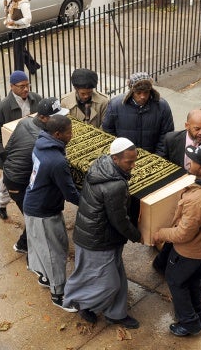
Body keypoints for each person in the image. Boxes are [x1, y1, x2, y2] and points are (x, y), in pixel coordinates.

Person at [152, 144, 201, 337]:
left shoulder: (199, 200)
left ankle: (189, 323)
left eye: (193, 160)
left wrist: (160, 233)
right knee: (193, 279)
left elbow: (183, 235)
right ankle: (197, 315)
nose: (189, 161)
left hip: (191, 250)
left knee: (176, 280)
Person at [63, 137, 142, 329]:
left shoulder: (101, 165)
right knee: (109, 284)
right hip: (97, 241)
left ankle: (116, 314)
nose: (133, 165)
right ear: (115, 159)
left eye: (134, 160)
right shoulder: (116, 185)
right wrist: (138, 236)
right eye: (129, 161)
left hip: (98, 235)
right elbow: (120, 220)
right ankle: (80, 303)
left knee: (117, 276)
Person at [155, 109, 201, 296]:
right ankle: (161, 263)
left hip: (197, 199)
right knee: (178, 233)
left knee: (190, 244)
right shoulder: (171, 139)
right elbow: (163, 164)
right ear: (186, 126)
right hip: (175, 195)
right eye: (197, 129)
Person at [23, 115, 80, 312]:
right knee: (55, 251)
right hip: (44, 211)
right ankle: (59, 294)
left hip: (33, 203)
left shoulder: (41, 143)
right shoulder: (57, 161)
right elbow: (71, 194)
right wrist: (91, 204)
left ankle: (45, 277)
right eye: (69, 133)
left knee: (42, 245)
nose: (72, 136)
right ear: (57, 134)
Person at [3, 97, 69, 254]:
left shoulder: (25, 122)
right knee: (34, 218)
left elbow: (8, 147)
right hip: (18, 182)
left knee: (32, 217)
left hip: (12, 175)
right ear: (43, 118)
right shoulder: (44, 139)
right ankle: (26, 248)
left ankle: (24, 244)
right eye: (56, 117)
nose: (62, 119)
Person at [0, 70, 42, 221]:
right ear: (12, 86)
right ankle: (1, 204)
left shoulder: (36, 99)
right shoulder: (2, 107)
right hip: (11, 154)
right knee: (6, 181)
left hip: (32, 148)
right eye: (21, 86)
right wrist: (3, 154)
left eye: (27, 85)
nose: (25, 89)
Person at [102, 72, 174, 155]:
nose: (142, 96)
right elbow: (107, 132)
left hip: (152, 157)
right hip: (124, 159)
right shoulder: (115, 105)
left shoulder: (162, 106)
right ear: (131, 92)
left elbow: (166, 135)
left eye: (146, 92)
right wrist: (119, 156)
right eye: (138, 93)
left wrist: (158, 157)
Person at [4, 0, 40, 74]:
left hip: (21, 30)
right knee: (21, 50)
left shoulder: (24, 4)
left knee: (18, 54)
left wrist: (15, 23)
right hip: (15, 30)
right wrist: (5, 6)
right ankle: (33, 67)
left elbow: (28, 19)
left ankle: (19, 74)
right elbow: (9, 14)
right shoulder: (13, 2)